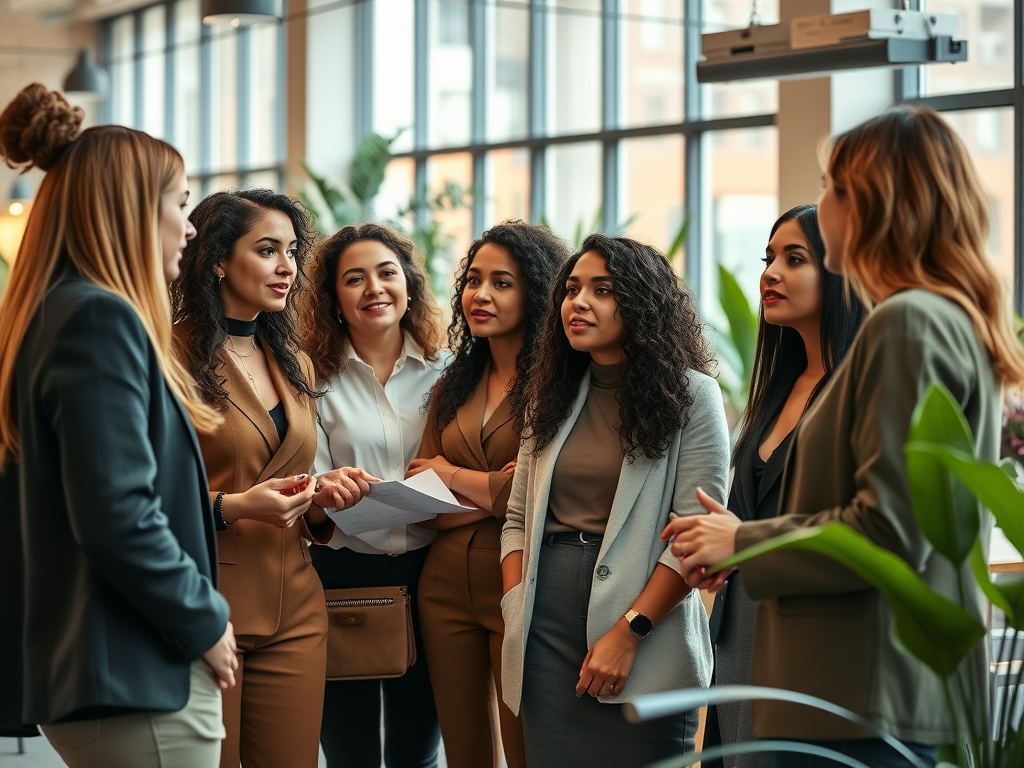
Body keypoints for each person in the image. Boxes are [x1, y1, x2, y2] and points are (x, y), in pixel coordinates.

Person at [664, 105, 1024, 767]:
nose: (821, 201)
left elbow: (891, 529)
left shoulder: (909, 322)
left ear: (869, 204)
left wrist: (742, 539)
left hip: (853, 694)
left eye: (831, 186)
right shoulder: (930, 318)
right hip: (848, 690)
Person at [0, 83, 237, 768]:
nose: (189, 228)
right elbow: (115, 514)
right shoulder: (100, 319)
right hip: (140, 676)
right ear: (131, 210)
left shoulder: (52, 315)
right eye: (180, 204)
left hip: (107, 676)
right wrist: (204, 619)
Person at [499, 233, 730, 768]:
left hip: (648, 633)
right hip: (544, 630)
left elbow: (695, 534)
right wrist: (516, 605)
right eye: (572, 288)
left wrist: (630, 632)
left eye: (602, 290)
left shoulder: (693, 396)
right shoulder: (550, 394)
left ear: (642, 303)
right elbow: (516, 517)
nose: (578, 302)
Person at [170, 189, 370, 768]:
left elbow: (288, 476)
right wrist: (232, 507)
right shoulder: (168, 356)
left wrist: (322, 498)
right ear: (215, 259)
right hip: (209, 601)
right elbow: (144, 497)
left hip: (297, 604)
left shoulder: (295, 362)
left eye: (291, 251)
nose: (287, 268)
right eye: (266, 250)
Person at [701, 205, 864, 768]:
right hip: (741, 629)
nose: (770, 273)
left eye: (795, 259)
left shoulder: (858, 391)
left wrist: (741, 538)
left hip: (811, 639)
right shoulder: (778, 388)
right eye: (768, 258)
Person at [408, 221, 569, 768]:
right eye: (474, 280)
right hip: (442, 587)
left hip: (519, 581)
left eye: (502, 282)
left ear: (537, 291)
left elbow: (546, 495)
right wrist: (493, 491)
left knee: (527, 750)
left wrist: (451, 476)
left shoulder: (559, 387)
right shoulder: (449, 385)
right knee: (464, 752)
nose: (480, 294)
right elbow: (419, 501)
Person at [300, 223, 446, 768]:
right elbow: (309, 483)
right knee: (348, 749)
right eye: (354, 279)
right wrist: (324, 491)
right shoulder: (311, 377)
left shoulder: (448, 371)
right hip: (341, 577)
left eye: (387, 273)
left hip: (431, 574)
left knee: (419, 749)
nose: (374, 289)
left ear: (408, 284)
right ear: (334, 299)